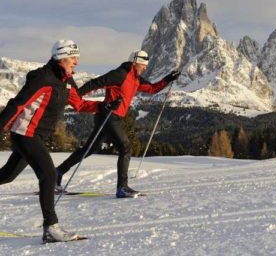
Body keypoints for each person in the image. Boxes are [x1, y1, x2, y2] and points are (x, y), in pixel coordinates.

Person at [0, 40, 113, 243]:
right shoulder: (42, 77)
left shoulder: (67, 81)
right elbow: (17, 104)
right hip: (26, 134)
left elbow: (79, 105)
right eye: (73, 57)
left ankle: (50, 228)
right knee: (49, 175)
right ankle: (51, 228)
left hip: (36, 136)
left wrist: (103, 106)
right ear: (61, 57)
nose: (76, 62)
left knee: (7, 176)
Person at [56, 50, 180, 198]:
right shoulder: (120, 74)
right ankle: (122, 188)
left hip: (110, 117)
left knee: (88, 150)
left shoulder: (136, 78)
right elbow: (96, 83)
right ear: (135, 62)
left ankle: (57, 173)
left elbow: (152, 89)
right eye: (143, 65)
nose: (145, 68)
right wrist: (77, 96)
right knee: (125, 147)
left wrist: (168, 79)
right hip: (108, 115)